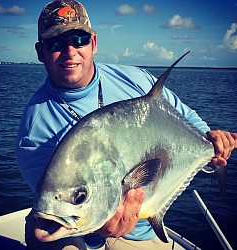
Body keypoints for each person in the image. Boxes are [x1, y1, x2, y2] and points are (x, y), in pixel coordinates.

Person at [15, 0, 237, 249]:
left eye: (79, 39)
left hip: (141, 229)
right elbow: (64, 203)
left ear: (94, 44)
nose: (69, 51)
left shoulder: (136, 80)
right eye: (55, 43)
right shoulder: (34, 132)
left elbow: (191, 123)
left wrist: (213, 145)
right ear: (39, 51)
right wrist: (99, 232)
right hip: (78, 229)